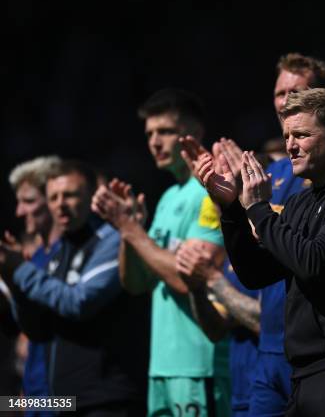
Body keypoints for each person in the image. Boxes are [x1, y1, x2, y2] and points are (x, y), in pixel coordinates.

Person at [193, 88, 325, 416]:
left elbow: (316, 262)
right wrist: (231, 209)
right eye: (287, 135)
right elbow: (255, 272)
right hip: (303, 374)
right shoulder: (302, 202)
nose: (289, 145)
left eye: (301, 135)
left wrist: (258, 208)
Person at [179, 52, 325, 416]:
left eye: (297, 91)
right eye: (279, 93)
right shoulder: (275, 172)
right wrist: (229, 203)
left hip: (320, 350)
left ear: (324, 99)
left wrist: (253, 209)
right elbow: (258, 254)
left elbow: (309, 250)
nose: (285, 102)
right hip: (269, 345)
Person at [91, 88, 230, 417]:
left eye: (165, 131)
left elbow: (191, 280)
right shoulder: (168, 197)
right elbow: (136, 283)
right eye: (150, 133)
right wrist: (129, 233)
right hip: (163, 365)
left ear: (193, 134)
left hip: (199, 365)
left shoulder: (210, 192)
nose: (154, 141)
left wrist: (131, 230)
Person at [0, 160, 149, 415]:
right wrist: (12, 279)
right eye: (54, 197)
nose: (19, 211)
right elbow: (33, 330)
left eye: (28, 201)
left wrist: (21, 273)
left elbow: (78, 303)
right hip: (55, 400)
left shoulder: (109, 241)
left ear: (91, 196)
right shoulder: (48, 259)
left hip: (101, 399)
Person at [6, 155, 63, 417]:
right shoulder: (35, 259)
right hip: (34, 396)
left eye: (29, 201)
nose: (20, 212)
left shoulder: (73, 256)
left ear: (53, 201)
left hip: (65, 400)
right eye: (18, 202)